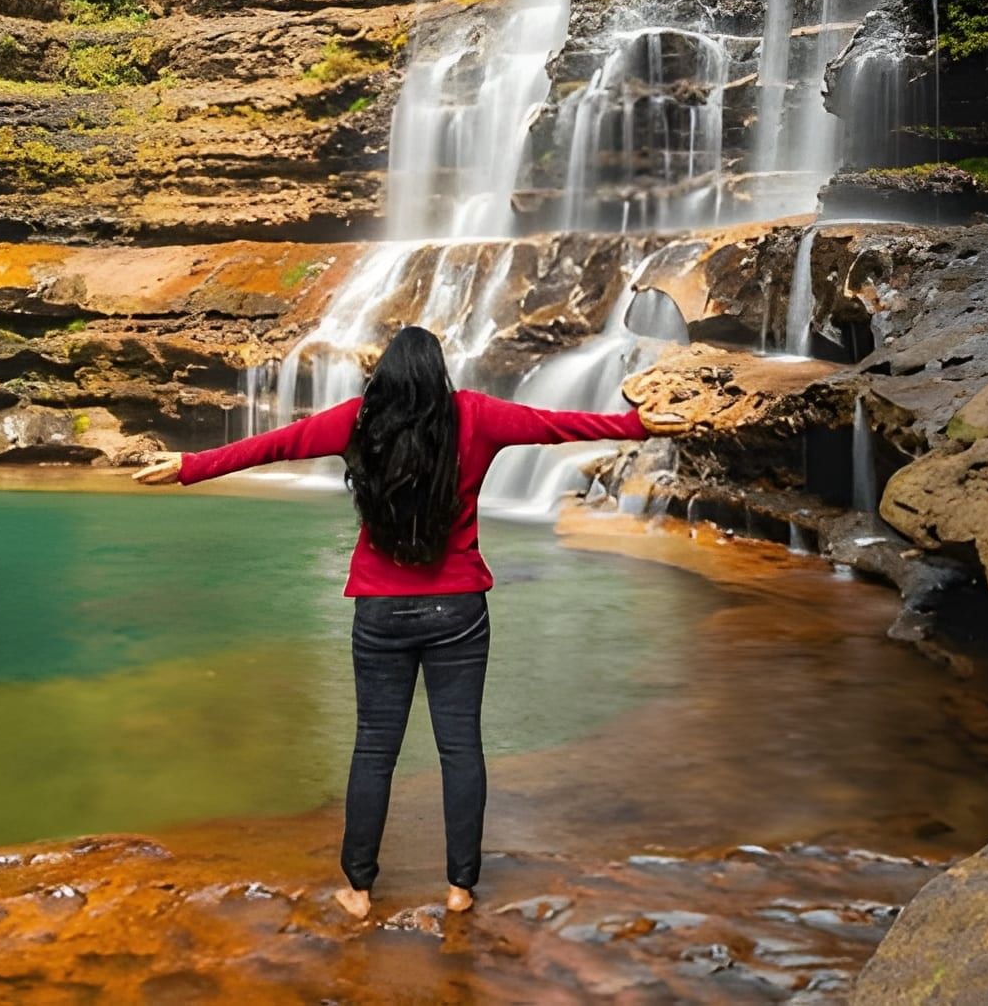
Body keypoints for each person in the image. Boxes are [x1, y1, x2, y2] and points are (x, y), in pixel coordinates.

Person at [132, 325, 688, 920]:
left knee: (375, 749)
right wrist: (636, 426)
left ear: (386, 376)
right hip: (459, 610)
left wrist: (190, 465)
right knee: (460, 748)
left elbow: (274, 446)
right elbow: (558, 425)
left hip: (380, 611)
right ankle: (460, 889)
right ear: (438, 373)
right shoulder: (476, 416)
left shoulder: (354, 421)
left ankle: (359, 890)